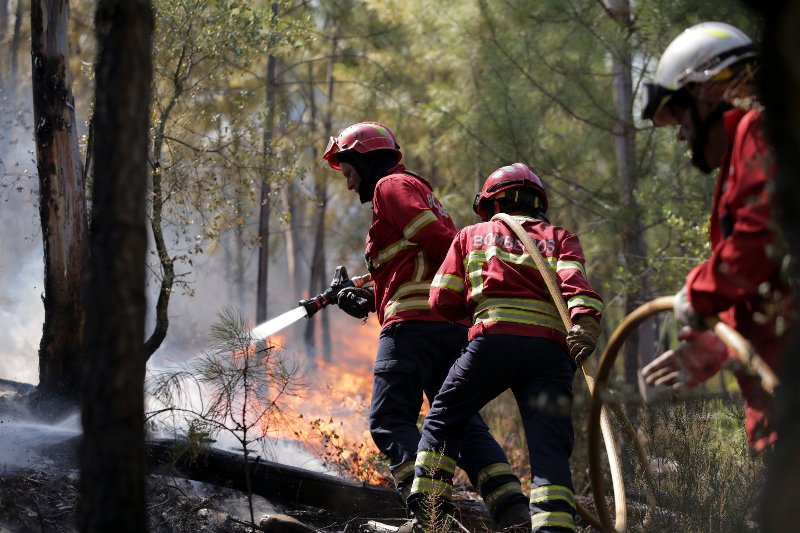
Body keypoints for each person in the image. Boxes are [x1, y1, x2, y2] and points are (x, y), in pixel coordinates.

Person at [322, 122, 530, 528]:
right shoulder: (419, 196)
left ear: (365, 160)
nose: (349, 185)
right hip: (446, 326)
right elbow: (414, 269)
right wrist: (361, 299)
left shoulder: (391, 187)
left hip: (412, 328)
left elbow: (441, 245)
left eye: (348, 172)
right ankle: (513, 513)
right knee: (462, 422)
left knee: (390, 420)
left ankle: (433, 516)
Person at [406, 163, 604, 532]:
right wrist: (586, 326)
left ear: (491, 203)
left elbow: (441, 300)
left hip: (492, 344)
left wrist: (476, 305)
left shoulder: (471, 235)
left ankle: (429, 514)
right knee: (549, 449)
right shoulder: (561, 237)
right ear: (537, 203)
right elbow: (577, 286)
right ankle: (554, 527)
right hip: (549, 354)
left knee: (444, 417)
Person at [640, 22, 792, 452]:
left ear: (707, 91)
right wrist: (711, 342)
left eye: (680, 117)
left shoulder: (762, 130)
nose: (682, 135)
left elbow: (763, 235)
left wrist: (699, 292)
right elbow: (769, 278)